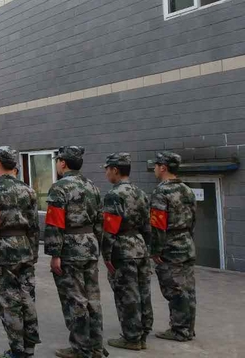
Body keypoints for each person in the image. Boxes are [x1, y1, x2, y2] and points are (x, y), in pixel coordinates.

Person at [0, 146, 40, 358]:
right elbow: (34, 227)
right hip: (25, 250)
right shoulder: (28, 190)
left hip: (3, 253)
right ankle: (29, 348)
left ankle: (17, 351)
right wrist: (33, 254)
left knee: (9, 304)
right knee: (27, 300)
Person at [45, 146, 105, 358]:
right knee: (93, 298)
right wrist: (96, 245)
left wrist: (55, 254)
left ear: (63, 163)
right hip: (90, 245)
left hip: (70, 248)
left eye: (57, 160)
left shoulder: (59, 187)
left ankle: (81, 348)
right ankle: (96, 346)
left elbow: (55, 223)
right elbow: (100, 221)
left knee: (75, 299)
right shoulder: (92, 186)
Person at [101, 153, 153, 351]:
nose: (106, 173)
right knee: (143, 291)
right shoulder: (140, 193)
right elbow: (147, 226)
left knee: (127, 294)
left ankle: (131, 338)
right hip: (140, 246)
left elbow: (110, 229)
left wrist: (106, 255)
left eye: (107, 169)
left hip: (122, 249)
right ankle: (143, 333)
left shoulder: (114, 195)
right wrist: (147, 248)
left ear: (115, 170)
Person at [150, 151, 197, 342]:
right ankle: (188, 328)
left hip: (170, 247)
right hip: (186, 243)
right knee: (188, 288)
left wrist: (155, 250)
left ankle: (179, 330)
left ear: (163, 167)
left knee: (175, 289)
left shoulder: (161, 192)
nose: (154, 169)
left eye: (156, 166)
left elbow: (158, 224)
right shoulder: (187, 190)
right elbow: (193, 220)